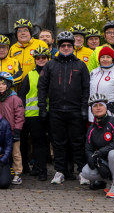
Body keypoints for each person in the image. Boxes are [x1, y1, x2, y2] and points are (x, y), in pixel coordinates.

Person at [38, 31, 89, 184]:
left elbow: (86, 88)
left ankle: (82, 171)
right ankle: (59, 171)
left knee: (78, 142)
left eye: (69, 45)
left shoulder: (81, 65)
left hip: (75, 110)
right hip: (56, 110)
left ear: (73, 47)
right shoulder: (50, 65)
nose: (66, 48)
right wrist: (42, 108)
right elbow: (42, 87)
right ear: (59, 47)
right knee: (58, 143)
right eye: (63, 45)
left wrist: (84, 108)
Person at [81, 94, 114, 198]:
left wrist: (99, 153)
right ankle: (109, 183)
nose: (98, 108)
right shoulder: (91, 129)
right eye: (95, 106)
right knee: (85, 172)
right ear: (91, 110)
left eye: (101, 105)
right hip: (106, 163)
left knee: (113, 153)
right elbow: (88, 149)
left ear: (106, 107)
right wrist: (95, 162)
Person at [19, 47, 51, 181]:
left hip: (51, 113)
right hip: (33, 115)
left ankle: (58, 169)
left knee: (53, 142)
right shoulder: (30, 75)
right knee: (38, 143)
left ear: (48, 59)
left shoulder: (53, 73)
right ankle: (41, 170)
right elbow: (22, 96)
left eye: (44, 58)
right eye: (38, 58)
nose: (41, 60)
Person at [0, 71, 25, 184]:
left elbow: (19, 116)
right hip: (0, 132)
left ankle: (17, 173)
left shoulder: (15, 99)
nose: (0, 86)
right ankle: (1, 172)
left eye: (3, 84)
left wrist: (17, 131)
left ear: (8, 85)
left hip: (13, 131)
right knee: (0, 152)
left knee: (15, 153)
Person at [87, 46, 114, 123]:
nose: (105, 59)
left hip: (110, 113)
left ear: (112, 59)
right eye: (102, 57)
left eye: (108, 57)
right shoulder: (94, 73)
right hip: (94, 114)